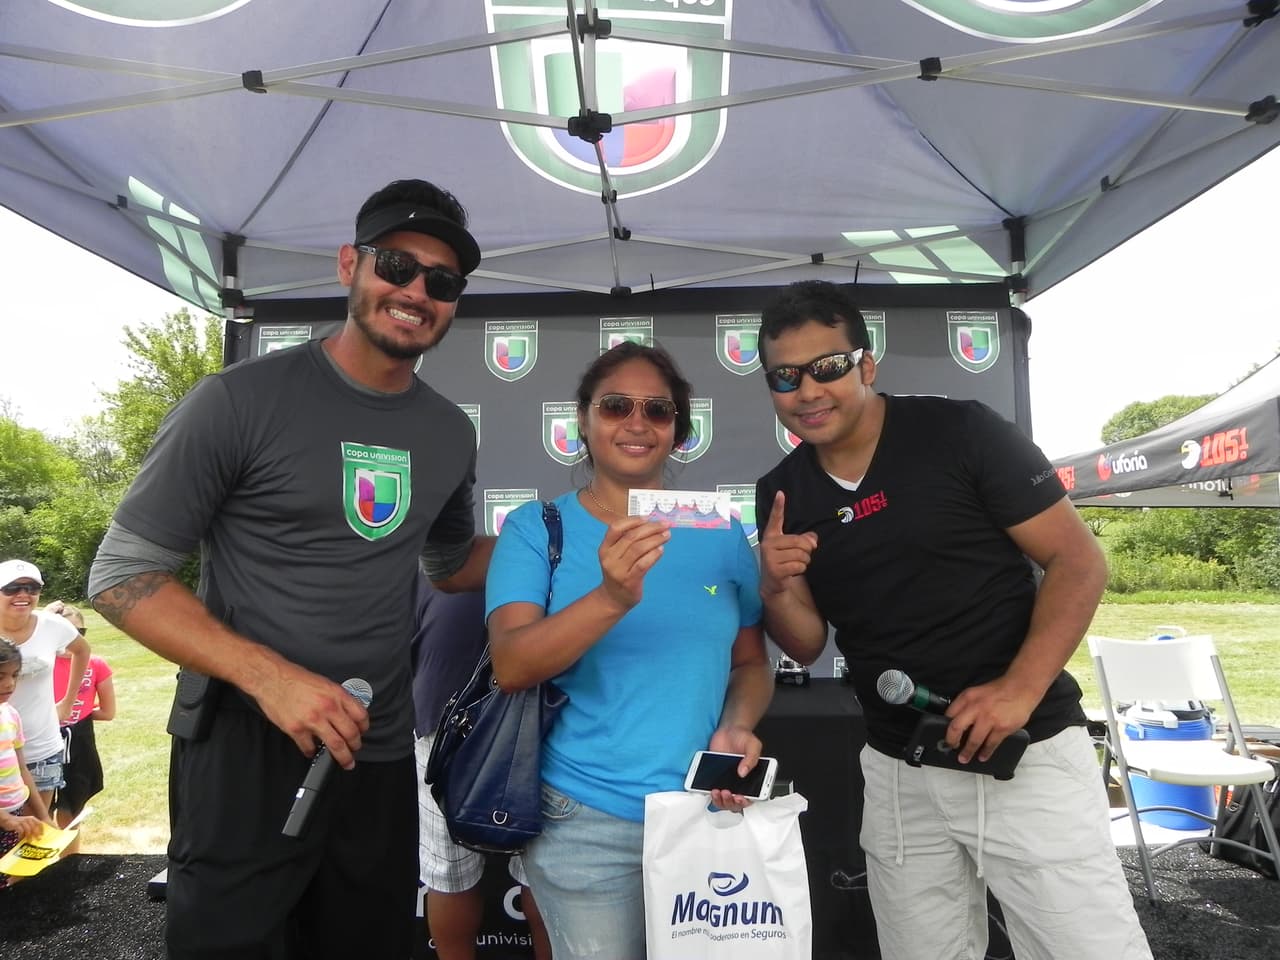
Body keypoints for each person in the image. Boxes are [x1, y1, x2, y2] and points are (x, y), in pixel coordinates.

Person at [87, 178, 492, 959]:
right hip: (246, 744)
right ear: (350, 263)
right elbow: (121, 573)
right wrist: (271, 677)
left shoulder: (448, 433)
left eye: (441, 282)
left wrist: (580, 542)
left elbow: (449, 565)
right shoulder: (236, 401)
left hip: (373, 752)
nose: (416, 292)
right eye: (396, 266)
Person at [752, 279, 1152, 960]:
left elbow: (1079, 563)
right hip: (897, 767)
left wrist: (1019, 689)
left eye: (828, 367)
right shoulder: (780, 491)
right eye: (786, 377)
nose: (809, 391)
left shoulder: (959, 429)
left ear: (866, 365)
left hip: (1023, 752)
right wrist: (774, 583)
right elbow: (807, 640)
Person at [485, 341, 773, 959]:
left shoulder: (719, 529)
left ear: (678, 430)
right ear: (583, 421)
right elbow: (511, 665)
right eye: (616, 406)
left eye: (658, 410)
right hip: (584, 818)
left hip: (706, 813)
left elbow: (751, 663)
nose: (637, 422)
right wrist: (611, 597)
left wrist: (737, 726)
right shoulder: (537, 529)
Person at [410, 573, 552, 960]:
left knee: (540, 878)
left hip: (499, 716)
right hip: (462, 720)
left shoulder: (435, 559)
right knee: (459, 877)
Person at [0, 560, 90, 811]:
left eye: (32, 588)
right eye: (12, 588)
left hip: (42, 748)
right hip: (2, 752)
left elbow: (82, 651)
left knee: (34, 837)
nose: (23, 595)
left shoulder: (52, 625)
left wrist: (68, 701)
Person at [47, 602, 115, 855]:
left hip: (75, 741)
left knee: (70, 809)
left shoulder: (96, 665)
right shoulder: (39, 662)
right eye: (61, 632)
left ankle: (68, 864)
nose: (69, 641)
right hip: (52, 740)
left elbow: (108, 712)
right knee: (38, 809)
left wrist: (76, 715)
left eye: (77, 633)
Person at [0, 637, 57, 885]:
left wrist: (44, 816)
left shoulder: (10, 714)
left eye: (15, 675)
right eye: (0, 676)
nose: (10, 684)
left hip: (15, 814)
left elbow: (22, 768)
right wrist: (6, 820)